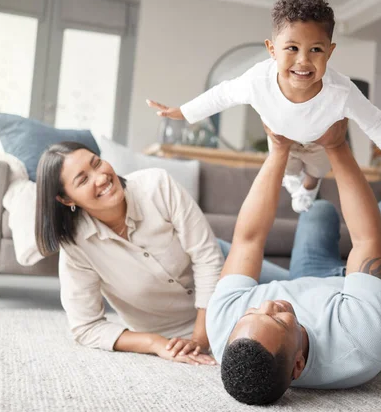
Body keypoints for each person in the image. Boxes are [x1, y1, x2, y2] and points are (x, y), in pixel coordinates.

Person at [147, 0, 381, 213]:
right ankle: (295, 184)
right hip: (281, 137)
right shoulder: (256, 81)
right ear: (272, 49)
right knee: (288, 169)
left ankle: (309, 187)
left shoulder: (341, 92)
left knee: (316, 168)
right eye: (292, 48)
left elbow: (375, 122)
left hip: (318, 141)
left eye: (316, 49)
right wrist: (183, 112)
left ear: (330, 52)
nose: (303, 61)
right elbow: (222, 94)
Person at [205, 119, 381, 405]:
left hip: (308, 278)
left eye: (253, 313)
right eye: (278, 320)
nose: (268, 305)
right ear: (298, 365)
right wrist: (337, 145)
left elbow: (248, 240)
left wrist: (278, 149)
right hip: (369, 304)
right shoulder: (361, 341)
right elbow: (366, 239)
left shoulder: (222, 327)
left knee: (318, 211)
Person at [34, 142, 285, 366]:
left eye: (97, 163)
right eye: (83, 180)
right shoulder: (77, 247)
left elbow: (207, 258)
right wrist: (155, 343)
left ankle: (316, 217)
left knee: (306, 287)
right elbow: (86, 327)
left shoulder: (156, 184)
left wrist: (200, 337)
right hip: (187, 320)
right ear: (66, 199)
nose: (100, 177)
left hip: (225, 267)